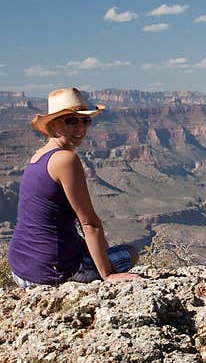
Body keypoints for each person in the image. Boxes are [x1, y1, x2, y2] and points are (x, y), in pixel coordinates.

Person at [8, 87, 141, 287]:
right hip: (54, 273)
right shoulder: (66, 160)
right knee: (131, 252)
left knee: (89, 248)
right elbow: (89, 223)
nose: (81, 128)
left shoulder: (38, 157)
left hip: (21, 271)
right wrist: (107, 274)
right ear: (52, 125)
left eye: (85, 120)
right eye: (71, 120)